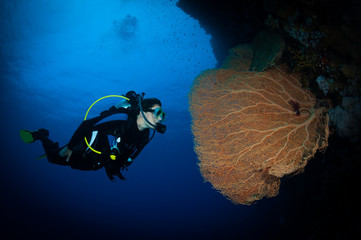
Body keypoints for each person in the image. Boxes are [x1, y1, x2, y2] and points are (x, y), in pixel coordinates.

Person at [19, 91, 166, 181]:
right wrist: (70, 148)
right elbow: (87, 124)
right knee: (52, 158)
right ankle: (41, 135)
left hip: (93, 162)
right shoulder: (122, 118)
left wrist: (113, 167)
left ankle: (49, 141)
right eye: (158, 113)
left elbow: (126, 155)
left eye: (163, 115)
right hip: (81, 149)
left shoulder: (145, 136)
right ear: (143, 111)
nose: (161, 119)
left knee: (58, 160)